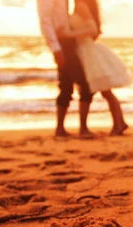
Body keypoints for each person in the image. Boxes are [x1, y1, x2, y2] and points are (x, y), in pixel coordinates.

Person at [56, 0, 133, 136]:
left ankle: (117, 124)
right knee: (105, 91)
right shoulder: (80, 6)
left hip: (87, 51)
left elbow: (93, 29)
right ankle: (120, 122)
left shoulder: (81, 5)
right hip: (83, 50)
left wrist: (68, 34)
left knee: (103, 90)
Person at [37, 0, 97, 138]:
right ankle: (82, 129)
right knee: (84, 84)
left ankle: (61, 129)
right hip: (62, 43)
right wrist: (56, 48)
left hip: (68, 42)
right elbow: (44, 20)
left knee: (66, 86)